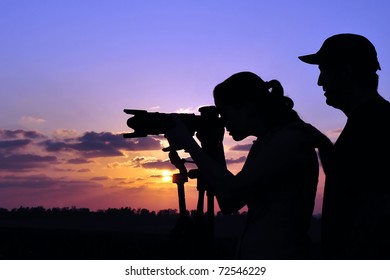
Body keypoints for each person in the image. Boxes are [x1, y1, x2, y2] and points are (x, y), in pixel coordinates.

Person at [164, 71, 320, 259]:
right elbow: (230, 203)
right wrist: (214, 146)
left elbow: (232, 192)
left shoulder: (287, 141)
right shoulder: (267, 143)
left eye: (224, 111)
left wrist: (190, 145)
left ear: (246, 106)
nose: (222, 120)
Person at [299, 33, 390, 259]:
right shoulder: (367, 121)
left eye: (324, 71)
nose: (320, 82)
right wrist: (322, 143)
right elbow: (348, 179)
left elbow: (376, 208)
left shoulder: (376, 125)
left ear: (345, 72)